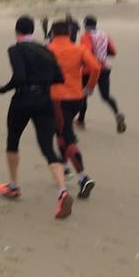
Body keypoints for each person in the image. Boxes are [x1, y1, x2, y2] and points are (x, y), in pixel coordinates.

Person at [0, 16, 73, 219]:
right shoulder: (46, 50)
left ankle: (14, 185)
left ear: (17, 30)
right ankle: (62, 191)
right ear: (32, 30)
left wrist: (2, 89)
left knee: (13, 140)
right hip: (45, 100)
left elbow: (19, 77)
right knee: (47, 147)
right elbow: (59, 77)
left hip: (23, 99)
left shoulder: (15, 49)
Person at [47, 21, 100, 199]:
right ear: (69, 33)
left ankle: (83, 177)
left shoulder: (48, 50)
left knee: (67, 136)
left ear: (52, 33)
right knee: (62, 133)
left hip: (57, 99)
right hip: (77, 97)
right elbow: (95, 67)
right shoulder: (79, 49)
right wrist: (89, 88)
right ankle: (64, 167)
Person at [76, 16, 126, 133]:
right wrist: (102, 54)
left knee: (83, 95)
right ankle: (117, 113)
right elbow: (113, 51)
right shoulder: (104, 35)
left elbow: (86, 51)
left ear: (85, 25)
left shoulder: (86, 36)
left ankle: (81, 120)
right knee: (106, 96)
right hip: (104, 68)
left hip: (89, 70)